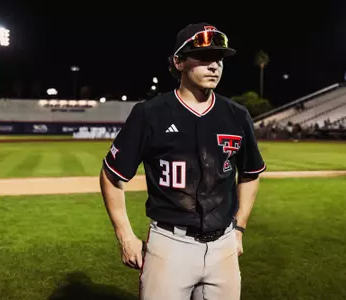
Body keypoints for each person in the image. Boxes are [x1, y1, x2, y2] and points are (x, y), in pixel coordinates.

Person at [99, 22, 266, 300]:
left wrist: (238, 229)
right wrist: (126, 236)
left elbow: (250, 174)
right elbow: (111, 176)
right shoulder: (150, 114)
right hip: (169, 245)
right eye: (203, 57)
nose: (214, 66)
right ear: (179, 62)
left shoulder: (237, 115)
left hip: (223, 247)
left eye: (219, 59)